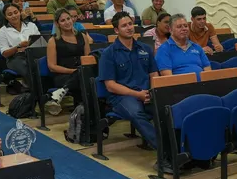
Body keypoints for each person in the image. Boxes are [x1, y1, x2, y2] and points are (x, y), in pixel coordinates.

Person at [99, 12, 165, 163]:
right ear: (116, 30)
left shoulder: (145, 49)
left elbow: (154, 74)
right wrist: (137, 95)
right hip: (122, 97)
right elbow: (110, 86)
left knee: (166, 109)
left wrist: (153, 92)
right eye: (124, 25)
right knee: (137, 114)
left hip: (146, 94)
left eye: (130, 24)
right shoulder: (109, 54)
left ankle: (182, 147)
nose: (129, 28)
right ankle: (166, 153)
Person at [44, 9, 92, 115]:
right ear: (57, 24)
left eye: (68, 18)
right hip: (63, 75)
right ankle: (83, 111)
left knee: (86, 76)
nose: (67, 22)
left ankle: (63, 93)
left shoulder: (82, 37)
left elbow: (88, 58)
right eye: (63, 20)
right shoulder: (53, 41)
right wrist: (72, 71)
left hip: (81, 72)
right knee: (81, 77)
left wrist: (80, 70)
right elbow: (52, 66)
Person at [0, 4, 40, 89]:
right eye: (10, 14)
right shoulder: (3, 31)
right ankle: (36, 92)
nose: (14, 16)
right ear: (6, 17)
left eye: (15, 12)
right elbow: (5, 53)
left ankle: (42, 89)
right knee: (27, 67)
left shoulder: (31, 26)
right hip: (15, 58)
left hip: (33, 54)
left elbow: (40, 42)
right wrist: (18, 46)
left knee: (43, 64)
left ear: (20, 12)